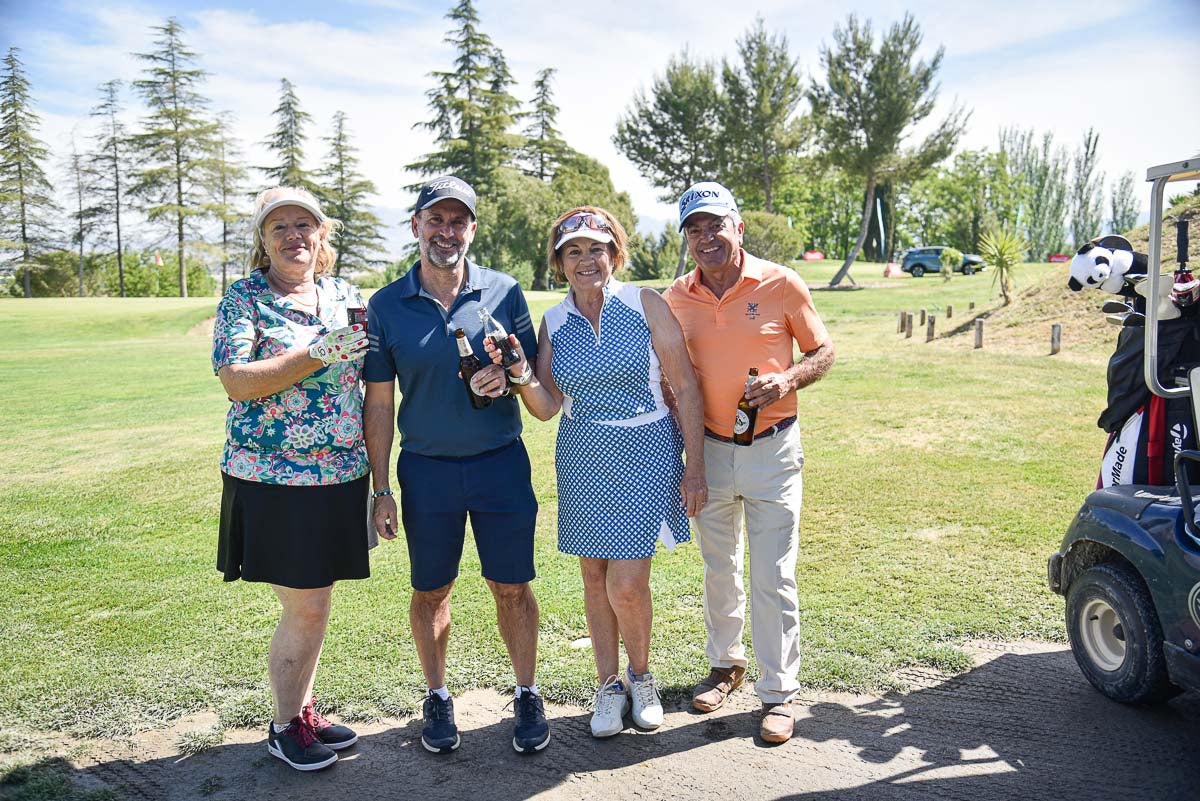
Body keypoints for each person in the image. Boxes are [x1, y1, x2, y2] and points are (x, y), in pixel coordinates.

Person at [476, 206, 707, 739]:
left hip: (647, 447)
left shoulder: (646, 303)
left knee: (627, 584)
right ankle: (607, 686)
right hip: (583, 452)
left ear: (614, 254)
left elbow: (687, 388)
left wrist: (694, 467)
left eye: (596, 249)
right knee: (593, 576)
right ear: (560, 262)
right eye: (573, 251)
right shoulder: (554, 320)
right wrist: (518, 372)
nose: (586, 260)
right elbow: (546, 404)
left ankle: (642, 677)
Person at [362, 176, 550, 755]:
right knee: (431, 591)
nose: (447, 231)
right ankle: (439, 697)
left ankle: (526, 692)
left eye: (458, 221)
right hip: (426, 470)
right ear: (416, 226)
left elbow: (531, 377)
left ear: (472, 229)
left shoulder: (505, 292)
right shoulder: (386, 305)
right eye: (434, 220)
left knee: (512, 586)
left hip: (500, 463)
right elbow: (379, 402)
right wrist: (380, 488)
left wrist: (510, 376)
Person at [663, 181, 835, 744]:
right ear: (686, 238)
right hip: (708, 450)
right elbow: (668, 374)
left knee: (773, 573)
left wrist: (788, 378)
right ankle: (726, 664)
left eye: (716, 225)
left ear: (737, 227)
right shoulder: (676, 297)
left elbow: (823, 351)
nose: (706, 237)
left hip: (774, 449)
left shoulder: (782, 283)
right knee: (719, 567)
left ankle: (779, 692)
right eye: (695, 228)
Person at [212, 186, 369, 771]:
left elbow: (369, 378)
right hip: (273, 477)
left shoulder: (345, 296)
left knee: (317, 602)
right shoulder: (245, 298)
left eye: (305, 225)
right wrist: (318, 354)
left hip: (339, 475)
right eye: (280, 227)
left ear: (323, 237)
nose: (294, 235)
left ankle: (301, 709)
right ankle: (283, 727)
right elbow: (237, 380)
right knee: (304, 607)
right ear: (263, 239)